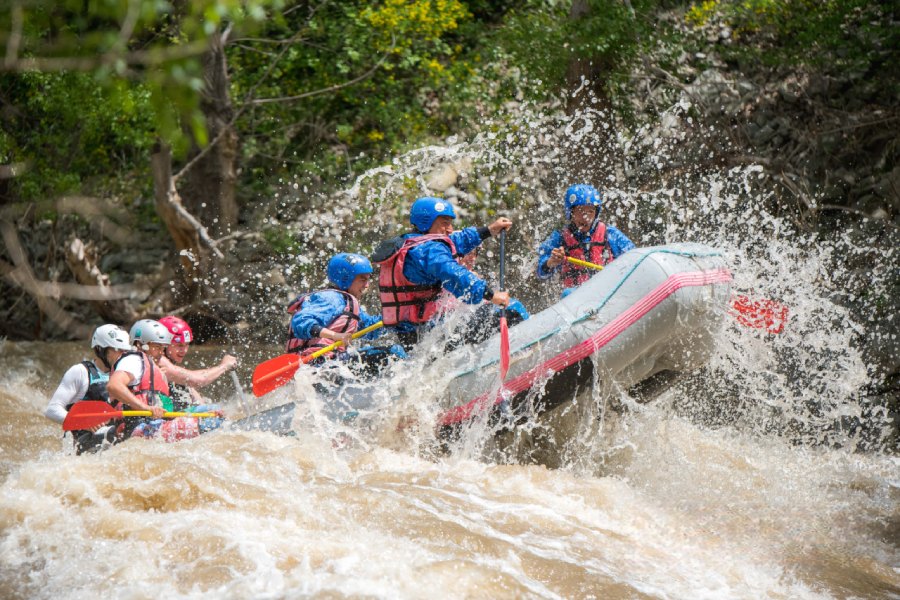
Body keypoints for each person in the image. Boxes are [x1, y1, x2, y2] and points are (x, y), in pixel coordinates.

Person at [371, 196, 521, 350]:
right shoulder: (428, 251)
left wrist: (489, 230)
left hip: (416, 337)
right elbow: (454, 274)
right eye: (445, 223)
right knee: (513, 309)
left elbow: (457, 240)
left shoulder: (411, 245)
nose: (450, 228)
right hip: (431, 334)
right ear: (426, 222)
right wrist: (491, 295)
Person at [107, 319, 223, 441]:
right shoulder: (133, 360)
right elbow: (114, 386)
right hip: (138, 428)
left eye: (163, 348)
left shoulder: (153, 367)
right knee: (210, 422)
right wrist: (146, 408)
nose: (161, 353)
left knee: (212, 410)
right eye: (157, 347)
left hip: (156, 423)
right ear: (140, 345)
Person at [286, 253, 399, 374]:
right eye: (362, 279)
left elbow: (369, 328)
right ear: (346, 279)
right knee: (394, 353)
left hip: (332, 362)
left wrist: (398, 317)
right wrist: (335, 335)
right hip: (318, 364)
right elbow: (300, 322)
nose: (367, 285)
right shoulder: (331, 298)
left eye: (368, 279)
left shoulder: (347, 303)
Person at [43, 324, 132, 454]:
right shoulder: (80, 372)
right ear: (100, 350)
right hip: (84, 445)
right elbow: (52, 410)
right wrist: (83, 422)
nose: (122, 355)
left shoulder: (128, 375)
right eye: (117, 349)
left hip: (113, 443)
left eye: (124, 351)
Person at [536, 184, 635, 296]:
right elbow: (541, 273)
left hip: (608, 292)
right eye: (580, 211)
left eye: (590, 211)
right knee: (567, 293)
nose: (586, 217)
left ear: (596, 213)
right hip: (576, 296)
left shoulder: (610, 234)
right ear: (571, 213)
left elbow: (634, 257)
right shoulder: (559, 238)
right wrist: (550, 263)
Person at [157, 315, 237, 411]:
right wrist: (223, 366)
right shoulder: (158, 361)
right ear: (163, 344)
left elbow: (190, 385)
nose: (184, 350)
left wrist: (208, 412)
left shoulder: (168, 363)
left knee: (213, 410)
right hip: (157, 422)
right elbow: (199, 380)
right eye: (179, 345)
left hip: (169, 416)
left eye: (187, 344)